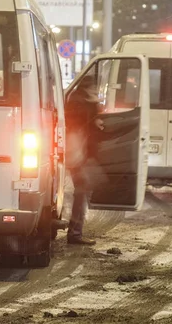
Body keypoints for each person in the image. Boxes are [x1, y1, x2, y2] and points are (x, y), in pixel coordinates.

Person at [64, 75, 104, 245]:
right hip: (77, 152)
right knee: (82, 190)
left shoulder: (84, 100)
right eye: (94, 87)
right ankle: (74, 233)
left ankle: (75, 231)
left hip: (83, 152)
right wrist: (94, 106)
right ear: (88, 87)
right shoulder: (78, 101)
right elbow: (79, 123)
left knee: (84, 189)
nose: (96, 90)